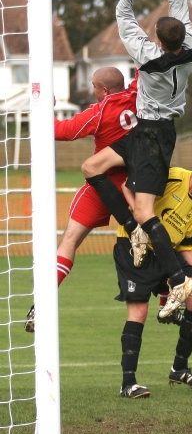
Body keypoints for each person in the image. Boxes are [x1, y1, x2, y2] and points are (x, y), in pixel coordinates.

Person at [82, 0, 192, 313]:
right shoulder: (191, 46)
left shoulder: (149, 58)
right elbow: (179, 4)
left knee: (146, 211)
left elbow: (124, 18)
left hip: (153, 135)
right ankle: (133, 230)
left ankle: (179, 280)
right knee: (92, 166)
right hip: (145, 132)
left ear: (159, 42)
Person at [113, 152, 192, 398]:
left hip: (167, 253)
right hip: (134, 247)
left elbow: (186, 246)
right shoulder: (171, 176)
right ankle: (128, 383)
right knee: (138, 311)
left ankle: (179, 368)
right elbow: (128, 185)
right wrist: (134, 222)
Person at [24, 67, 138, 332]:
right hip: (137, 184)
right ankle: (169, 298)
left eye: (94, 86)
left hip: (103, 183)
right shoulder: (137, 95)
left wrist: (44, 108)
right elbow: (145, 71)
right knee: (155, 237)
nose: (92, 90)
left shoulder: (99, 113)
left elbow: (61, 131)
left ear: (104, 90)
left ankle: (40, 305)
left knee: (69, 241)